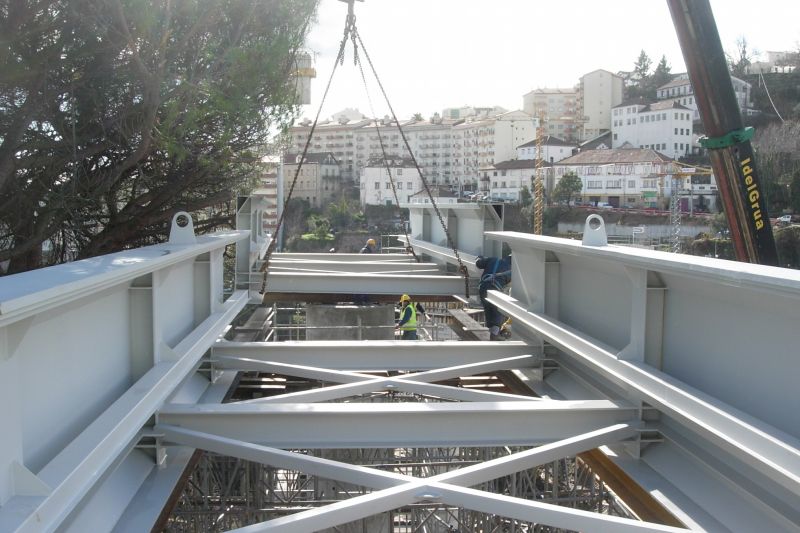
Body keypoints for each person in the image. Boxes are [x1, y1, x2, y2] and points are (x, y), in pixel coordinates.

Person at [475, 255, 512, 340]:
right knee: (498, 312)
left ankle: (493, 332)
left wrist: (480, 259)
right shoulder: (511, 271)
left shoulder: (493, 259)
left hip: (483, 288)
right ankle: (495, 335)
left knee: (488, 310)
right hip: (495, 289)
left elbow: (478, 264)